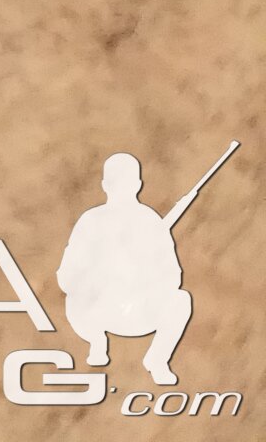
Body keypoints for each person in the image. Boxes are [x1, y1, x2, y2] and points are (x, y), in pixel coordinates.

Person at [59, 153, 198, 385]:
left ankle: (157, 360)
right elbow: (66, 276)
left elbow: (173, 275)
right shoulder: (91, 220)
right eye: (116, 183)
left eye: (125, 183)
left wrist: (144, 276)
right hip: (97, 311)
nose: (121, 189)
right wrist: (98, 278)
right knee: (76, 298)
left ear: (138, 185)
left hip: (139, 310)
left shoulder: (151, 221)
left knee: (181, 300)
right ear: (105, 185)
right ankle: (97, 342)